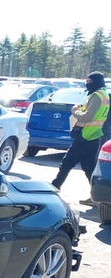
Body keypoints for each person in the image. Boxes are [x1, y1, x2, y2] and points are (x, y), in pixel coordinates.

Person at [50, 72, 109, 202]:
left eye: (89, 82)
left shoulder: (97, 96)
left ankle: (54, 188)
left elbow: (87, 117)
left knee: (66, 163)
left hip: (85, 136)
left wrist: (74, 110)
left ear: (96, 82)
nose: (87, 85)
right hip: (94, 135)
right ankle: (97, 197)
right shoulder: (104, 95)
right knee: (89, 167)